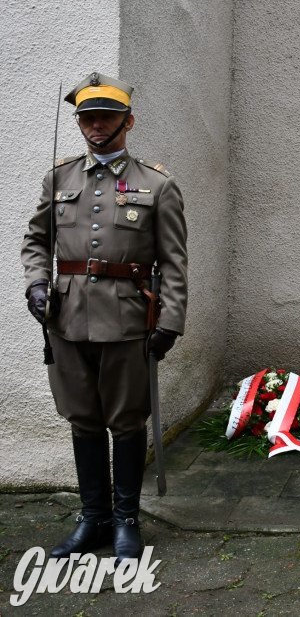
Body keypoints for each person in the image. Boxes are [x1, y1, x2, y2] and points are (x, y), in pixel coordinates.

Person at [21, 72, 188, 563]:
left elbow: (174, 261)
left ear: (127, 121)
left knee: (126, 421)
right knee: (84, 421)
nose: (96, 126)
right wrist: (35, 283)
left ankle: (126, 521)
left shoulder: (158, 185)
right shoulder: (59, 178)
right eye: (87, 118)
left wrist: (171, 321)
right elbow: (37, 241)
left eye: (106, 117)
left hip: (127, 320)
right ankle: (92, 518)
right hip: (66, 317)